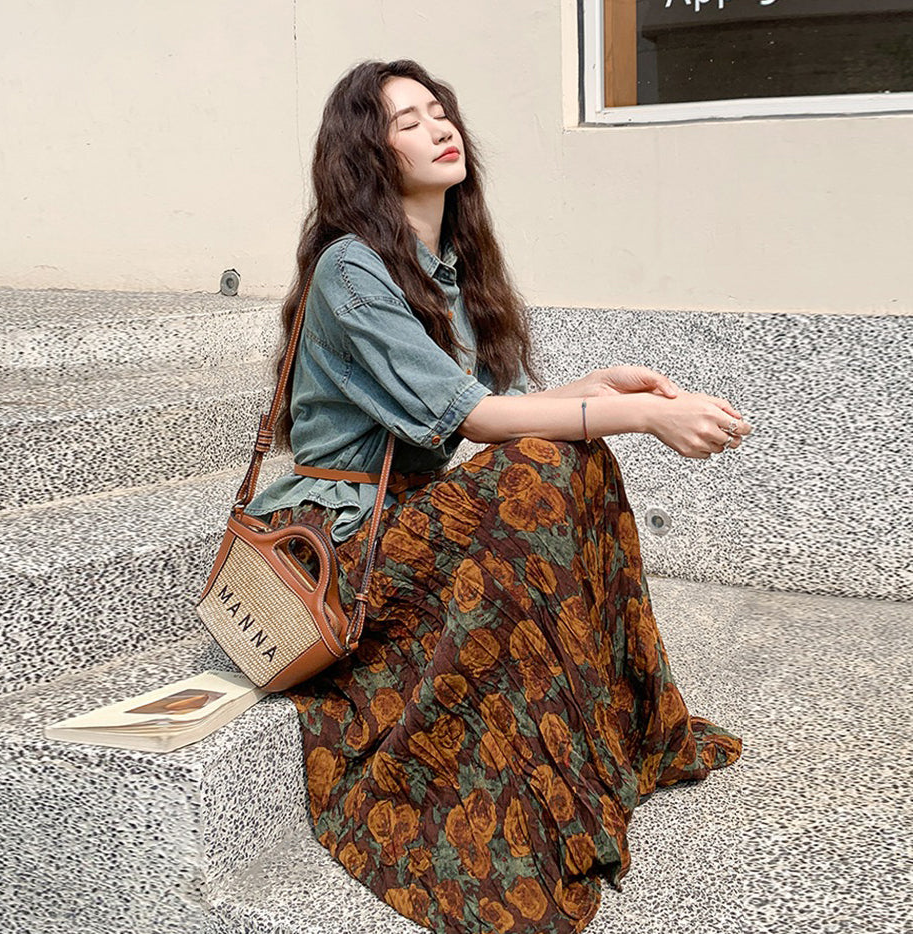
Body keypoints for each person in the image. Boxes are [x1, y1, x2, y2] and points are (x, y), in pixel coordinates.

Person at [246, 59, 749, 934]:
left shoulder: (446, 265)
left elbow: (490, 406)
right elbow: (478, 420)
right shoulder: (351, 271)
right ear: (366, 153)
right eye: (407, 121)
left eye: (438, 110)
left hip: (408, 518)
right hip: (343, 547)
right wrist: (638, 415)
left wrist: (599, 387)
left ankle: (604, 725)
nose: (438, 127)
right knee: (542, 470)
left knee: (568, 461)